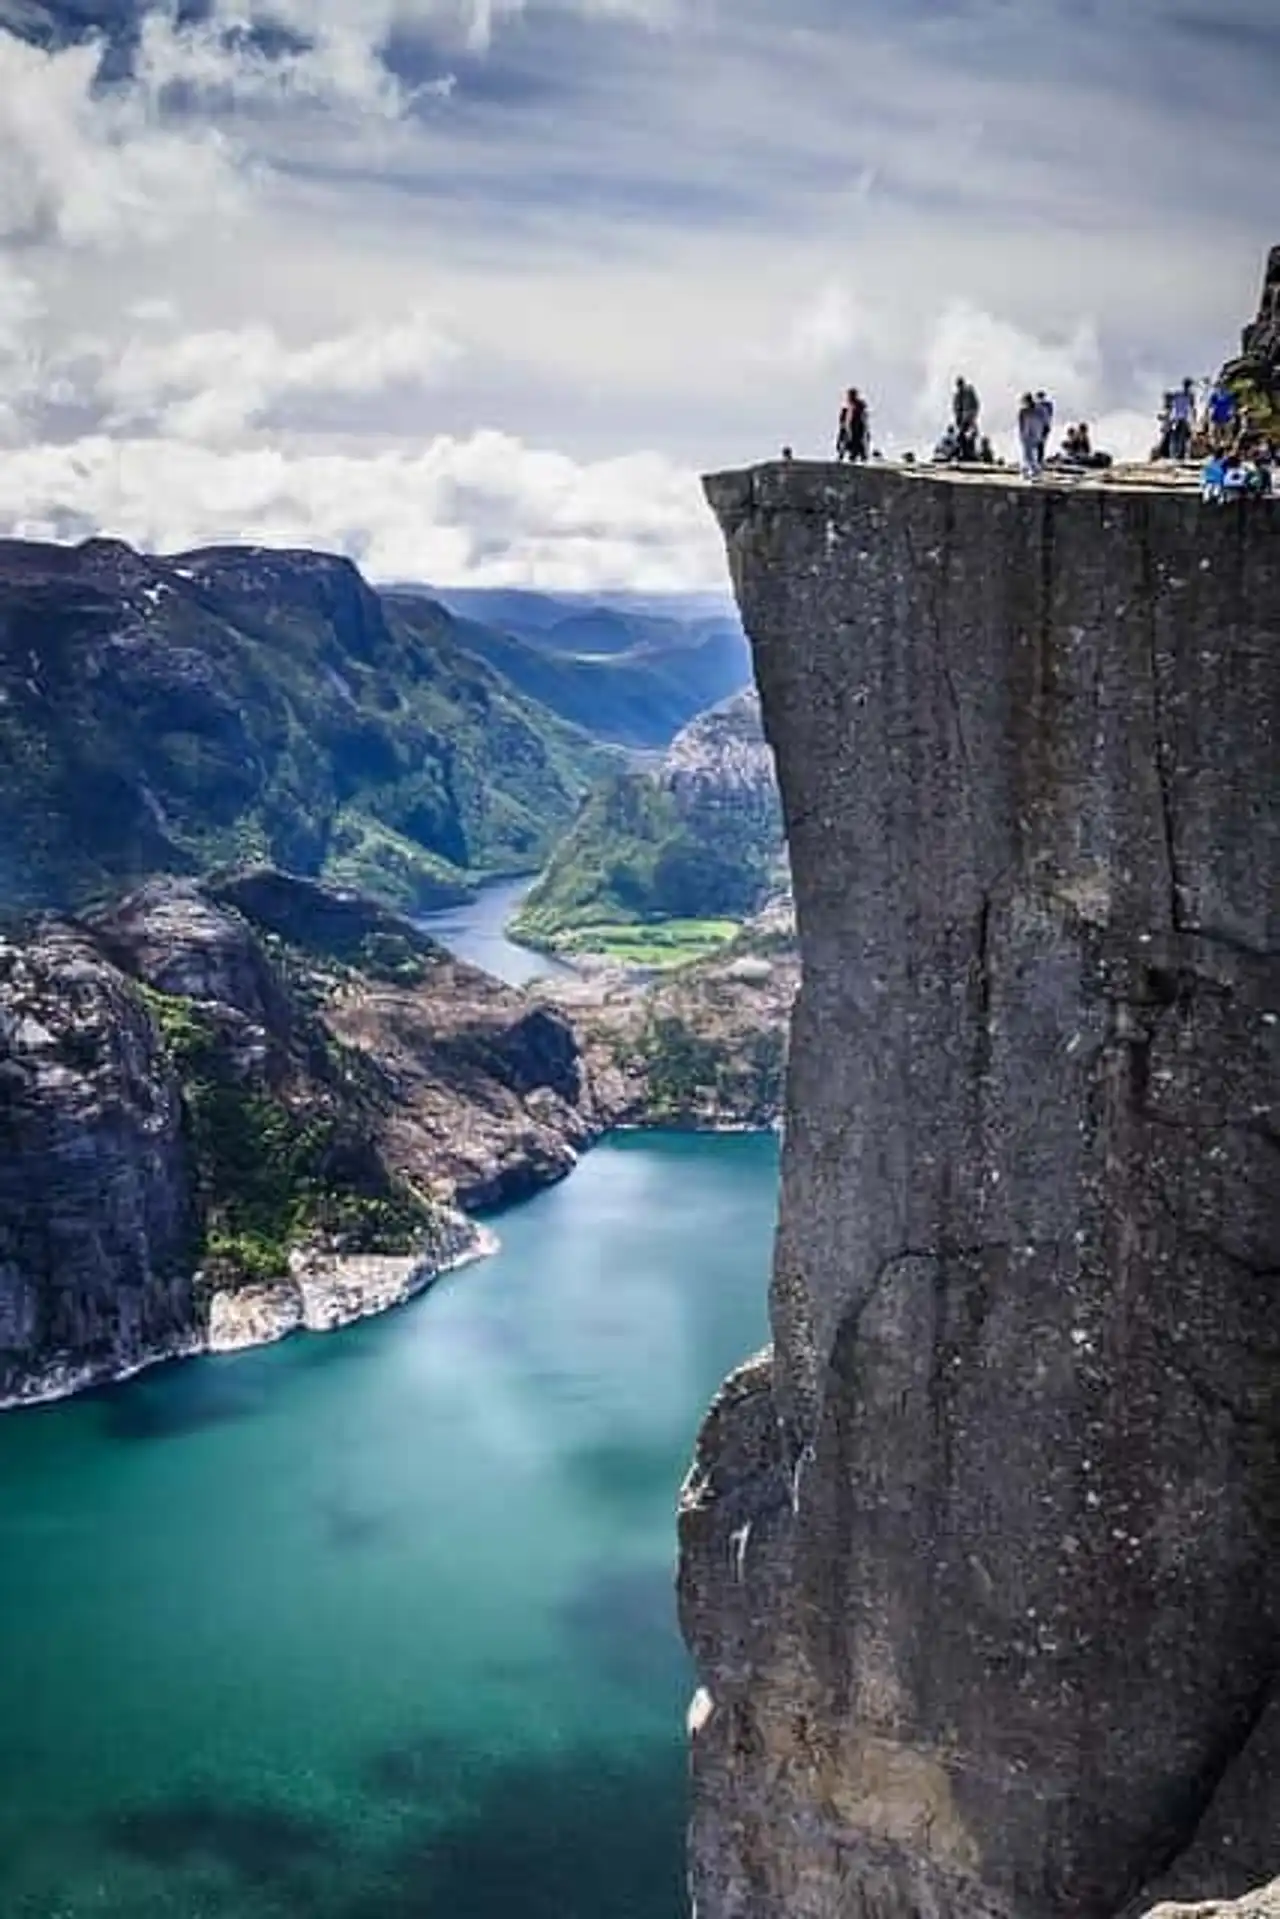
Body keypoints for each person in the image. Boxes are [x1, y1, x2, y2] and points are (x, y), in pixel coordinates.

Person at [836, 387, 869, 461]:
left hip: (857, 433)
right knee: (845, 447)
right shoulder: (846, 409)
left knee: (857, 449)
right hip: (849, 433)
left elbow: (863, 422)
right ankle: (842, 460)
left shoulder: (859, 407)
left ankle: (860, 459)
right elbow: (842, 424)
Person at [952, 376, 980, 459]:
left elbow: (975, 404)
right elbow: (956, 408)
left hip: (969, 416)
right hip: (962, 419)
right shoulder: (957, 395)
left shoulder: (969, 391)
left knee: (971, 434)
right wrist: (958, 417)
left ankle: (971, 452)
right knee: (962, 436)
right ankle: (964, 453)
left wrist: (973, 415)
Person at [1168, 378, 1196, 460]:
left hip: (1176, 418)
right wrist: (1194, 419)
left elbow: (1169, 399)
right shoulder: (1189, 395)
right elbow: (1192, 407)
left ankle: (1174, 455)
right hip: (1182, 419)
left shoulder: (1178, 394)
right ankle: (1176, 455)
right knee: (1180, 437)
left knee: (1176, 437)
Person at [1018, 392, 1043, 478]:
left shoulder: (1025, 411)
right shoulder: (1038, 410)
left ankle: (1033, 469)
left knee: (1028, 453)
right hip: (1033, 434)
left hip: (1031, 434)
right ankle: (1027, 469)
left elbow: (1022, 424)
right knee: (1028, 453)